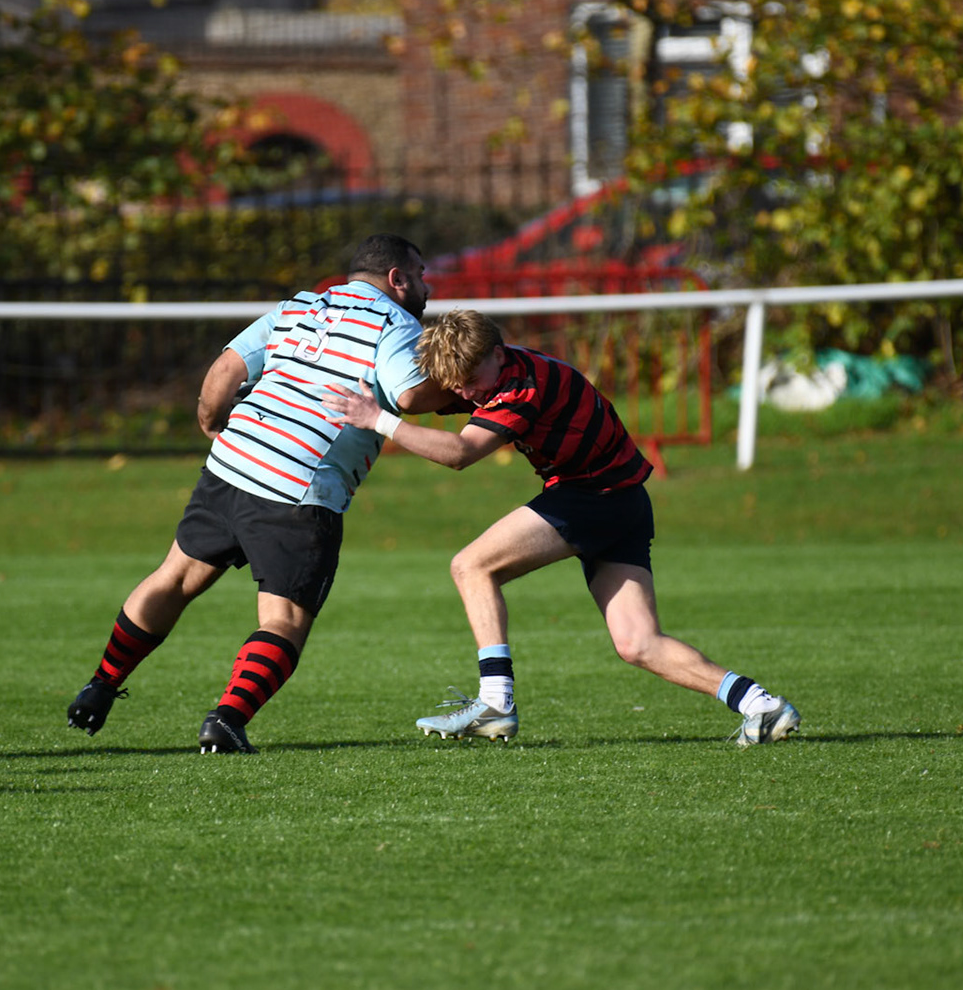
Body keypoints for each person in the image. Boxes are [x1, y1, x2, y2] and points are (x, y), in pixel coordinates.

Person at [322, 308, 800, 747]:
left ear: (496, 353)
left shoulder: (520, 387)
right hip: (624, 500)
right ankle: (762, 706)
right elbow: (432, 396)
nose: (466, 393)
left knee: (472, 567)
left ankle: (495, 702)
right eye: (458, 383)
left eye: (470, 380)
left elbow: (460, 453)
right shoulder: (497, 372)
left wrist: (376, 419)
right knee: (639, 643)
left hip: (592, 497)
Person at [66, 235, 448, 754]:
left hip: (231, 463)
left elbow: (226, 370)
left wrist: (212, 424)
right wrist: (463, 387)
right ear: (397, 278)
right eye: (422, 274)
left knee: (174, 577)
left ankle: (100, 685)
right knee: (284, 621)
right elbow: (408, 393)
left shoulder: (299, 305)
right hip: (300, 486)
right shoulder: (396, 325)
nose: (428, 286)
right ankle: (226, 719)